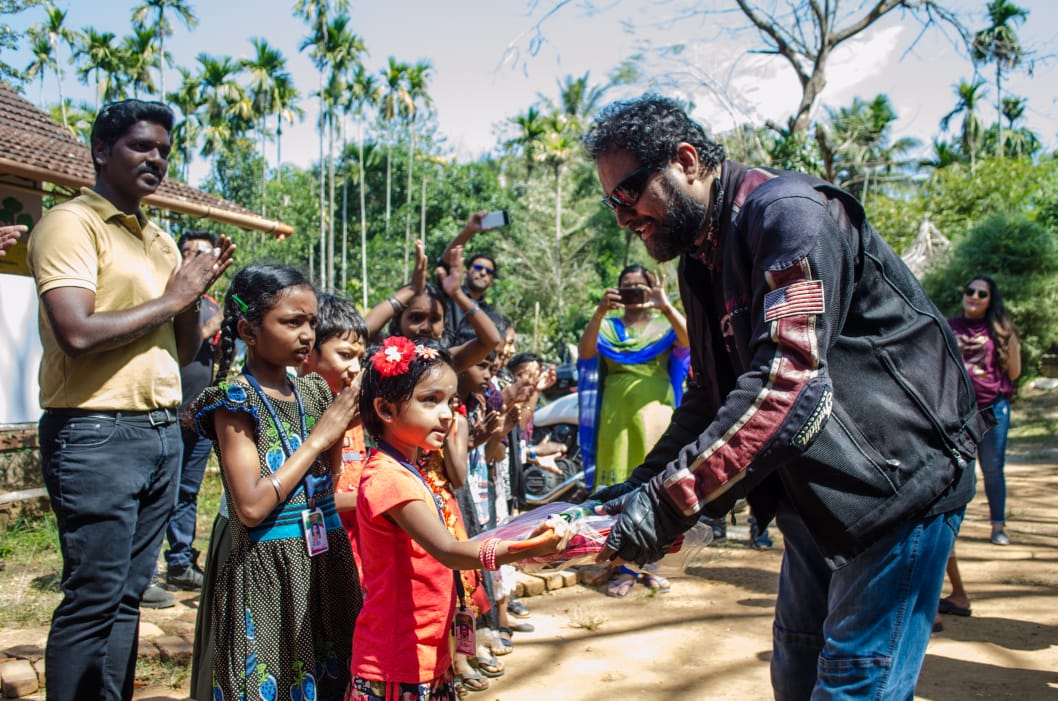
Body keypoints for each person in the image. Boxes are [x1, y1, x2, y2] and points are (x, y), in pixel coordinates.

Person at [582, 95, 992, 698]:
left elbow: (789, 381)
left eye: (629, 193)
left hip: (898, 479)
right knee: (797, 670)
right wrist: (640, 487)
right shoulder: (699, 261)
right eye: (611, 203)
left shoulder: (789, 215)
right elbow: (709, 392)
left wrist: (669, 502)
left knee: (853, 683)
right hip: (816, 491)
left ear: (686, 161)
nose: (623, 217)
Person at [27, 99, 234, 700]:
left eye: (164, 150)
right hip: (94, 433)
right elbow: (76, 332)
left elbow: (184, 346)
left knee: (126, 598)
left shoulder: (162, 241)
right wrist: (174, 298)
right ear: (101, 151)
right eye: (141, 146)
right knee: (92, 598)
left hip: (160, 432)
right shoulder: (71, 224)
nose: (156, 159)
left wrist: (195, 293)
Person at [351, 336, 569, 701]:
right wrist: (528, 547)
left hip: (422, 652)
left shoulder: (407, 470)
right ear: (386, 409)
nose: (447, 414)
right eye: (430, 400)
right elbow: (449, 551)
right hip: (396, 660)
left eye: (450, 401)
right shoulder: (388, 478)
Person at [188, 264, 360, 701]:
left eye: (312, 323)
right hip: (268, 569)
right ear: (248, 330)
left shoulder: (315, 392)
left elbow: (327, 481)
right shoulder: (234, 401)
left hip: (323, 559)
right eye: (292, 322)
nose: (307, 335)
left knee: (333, 679)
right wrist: (320, 437)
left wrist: (337, 431)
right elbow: (251, 507)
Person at [578, 263, 690, 597]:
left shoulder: (663, 324)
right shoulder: (608, 327)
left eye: (639, 286)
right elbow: (585, 352)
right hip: (616, 418)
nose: (633, 291)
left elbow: (690, 341)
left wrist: (665, 305)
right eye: (626, 285)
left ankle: (652, 565)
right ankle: (622, 567)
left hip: (656, 415)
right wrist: (600, 311)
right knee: (620, 491)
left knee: (658, 491)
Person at [158, 231, 224, 592]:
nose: (198, 260)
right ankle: (143, 571)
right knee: (159, 491)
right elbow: (187, 340)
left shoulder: (214, 303)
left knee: (187, 491)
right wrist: (214, 325)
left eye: (205, 254)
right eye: (190, 253)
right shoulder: (167, 297)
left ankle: (180, 561)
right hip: (166, 412)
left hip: (199, 415)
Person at [949, 275, 1021, 545]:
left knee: (992, 468)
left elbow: (1014, 372)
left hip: (993, 409)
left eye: (982, 294)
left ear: (991, 301)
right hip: (957, 410)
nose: (974, 297)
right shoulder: (948, 326)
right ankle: (950, 532)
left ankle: (998, 526)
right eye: (970, 291)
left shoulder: (1002, 331)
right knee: (955, 469)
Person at [304, 292, 369, 579]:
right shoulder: (301, 413)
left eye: (360, 358)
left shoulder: (352, 411)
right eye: (345, 355)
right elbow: (314, 499)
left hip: (351, 544)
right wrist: (370, 499)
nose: (355, 368)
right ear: (308, 351)